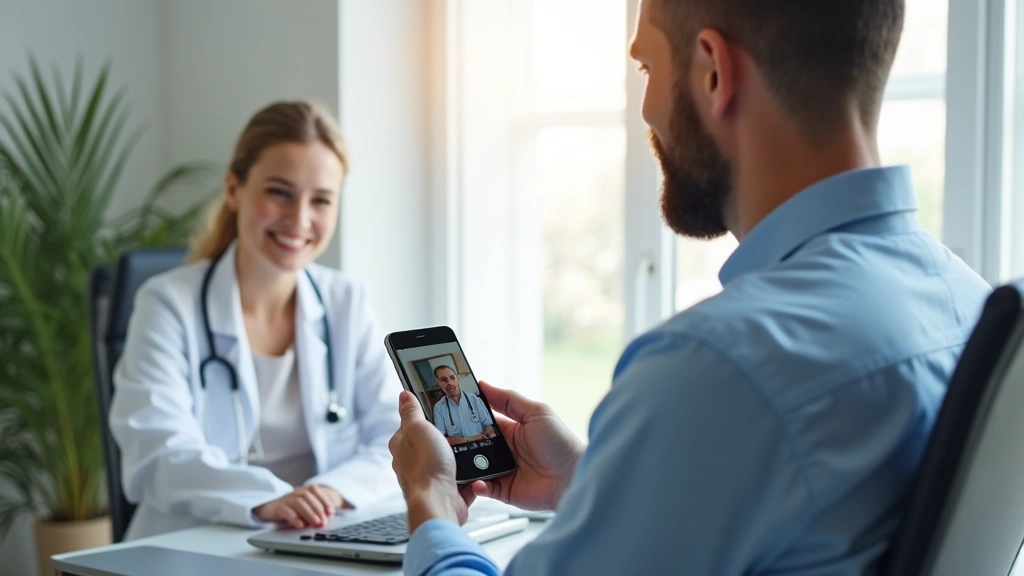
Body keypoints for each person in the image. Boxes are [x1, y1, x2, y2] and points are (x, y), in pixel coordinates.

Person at [388, 0, 992, 573]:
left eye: (647, 67)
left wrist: (434, 506)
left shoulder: (721, 365)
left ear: (713, 72)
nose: (646, 107)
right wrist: (594, 482)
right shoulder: (973, 307)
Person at [109, 101, 402, 540]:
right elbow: (156, 451)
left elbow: (396, 440)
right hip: (192, 542)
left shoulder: (347, 303)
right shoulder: (167, 304)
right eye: (279, 192)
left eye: (321, 200)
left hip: (318, 535)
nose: (299, 219)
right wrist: (263, 498)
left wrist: (329, 492)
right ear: (234, 190)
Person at [430, 365, 496, 445]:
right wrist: (470, 439)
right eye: (444, 380)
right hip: (461, 450)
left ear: (457, 378)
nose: (449, 382)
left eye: (452, 378)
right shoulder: (439, 408)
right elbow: (440, 439)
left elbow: (488, 425)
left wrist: (490, 436)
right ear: (439, 383)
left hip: (483, 444)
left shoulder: (474, 399)